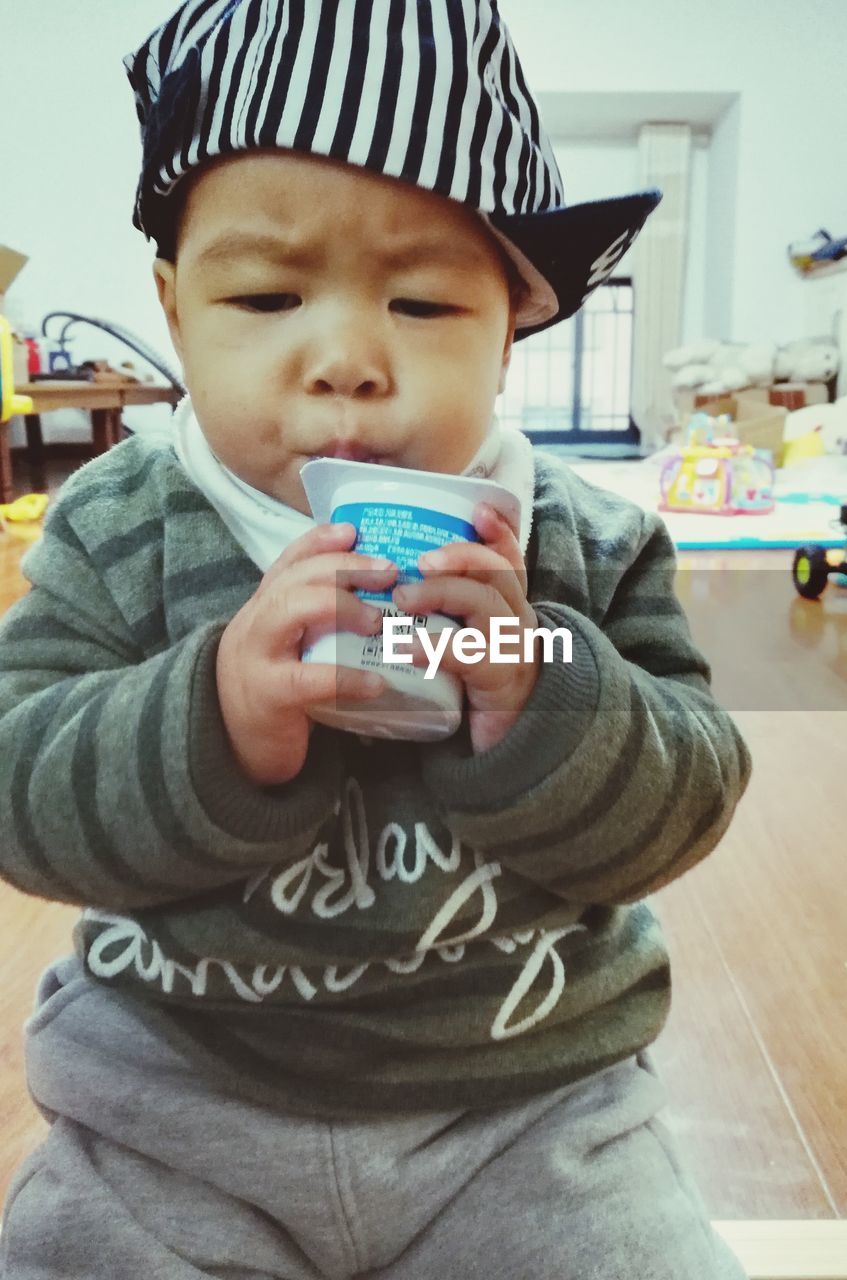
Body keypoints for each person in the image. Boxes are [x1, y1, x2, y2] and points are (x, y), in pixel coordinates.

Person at [0, 2, 752, 1276]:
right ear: (177, 314)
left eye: (420, 301)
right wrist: (214, 710)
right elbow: (18, 789)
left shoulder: (585, 542)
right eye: (267, 292)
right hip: (176, 1114)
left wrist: (543, 685)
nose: (346, 358)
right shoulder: (120, 527)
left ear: (512, 329)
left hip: (527, 1113)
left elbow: (691, 788)